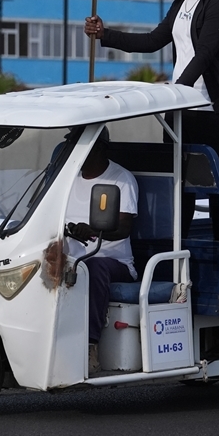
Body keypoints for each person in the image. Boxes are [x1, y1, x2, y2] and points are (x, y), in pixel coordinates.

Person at [85, 0, 219, 237]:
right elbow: (152, 41)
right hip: (182, 110)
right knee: (178, 184)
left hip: (214, 110)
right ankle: (179, 249)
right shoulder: (181, 2)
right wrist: (106, 34)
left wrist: (175, 94)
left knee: (216, 185)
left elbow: (205, 55)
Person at [63, 129, 138, 375]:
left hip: (113, 262)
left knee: (92, 267)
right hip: (71, 258)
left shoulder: (121, 179)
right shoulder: (66, 177)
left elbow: (124, 228)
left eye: (80, 144)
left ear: (98, 147)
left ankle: (89, 346)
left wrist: (93, 230)